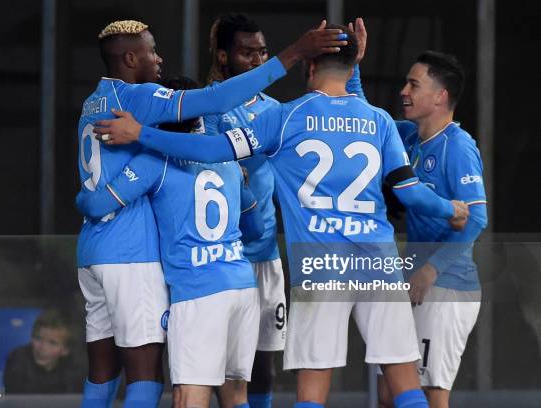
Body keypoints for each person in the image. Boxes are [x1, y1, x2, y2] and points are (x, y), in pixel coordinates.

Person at [90, 23, 471, 408]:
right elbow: (409, 192)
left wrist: (142, 134)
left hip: (321, 265)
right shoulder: (379, 121)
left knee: (312, 391)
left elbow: (212, 149)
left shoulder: (286, 118)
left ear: (308, 67)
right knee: (404, 383)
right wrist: (450, 209)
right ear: (350, 65)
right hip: (379, 262)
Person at [76, 19, 345, 408]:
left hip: (108, 255)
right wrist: (295, 52)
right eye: (152, 51)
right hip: (214, 271)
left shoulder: (95, 103)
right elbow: (215, 103)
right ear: (131, 57)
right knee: (173, 376)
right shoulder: (149, 104)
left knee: (113, 373)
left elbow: (98, 200)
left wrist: (83, 202)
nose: (159, 58)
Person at [77, 72, 266, 408]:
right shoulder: (227, 161)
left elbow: (100, 204)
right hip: (241, 286)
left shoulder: (157, 161)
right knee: (235, 396)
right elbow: (255, 229)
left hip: (198, 291)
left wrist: (81, 199)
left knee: (187, 397)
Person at [368, 51, 487, 408]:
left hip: (446, 288)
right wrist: (351, 65)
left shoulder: (458, 146)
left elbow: (477, 219)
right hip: (415, 282)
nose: (404, 91)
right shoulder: (409, 136)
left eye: (414, 84)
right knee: (391, 393)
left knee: (430, 394)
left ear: (440, 96)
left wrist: (430, 272)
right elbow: (365, 116)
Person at [204, 14, 284, 408]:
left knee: (262, 362)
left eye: (263, 52)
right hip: (221, 257)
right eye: (246, 52)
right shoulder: (207, 108)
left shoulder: (277, 109)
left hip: (266, 256)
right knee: (219, 367)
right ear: (224, 56)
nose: (257, 60)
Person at [3, 309, 85, 394]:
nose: (42, 347)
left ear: (65, 350)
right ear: (31, 337)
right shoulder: (17, 359)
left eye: (52, 343)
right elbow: (17, 401)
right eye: (38, 338)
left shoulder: (75, 367)